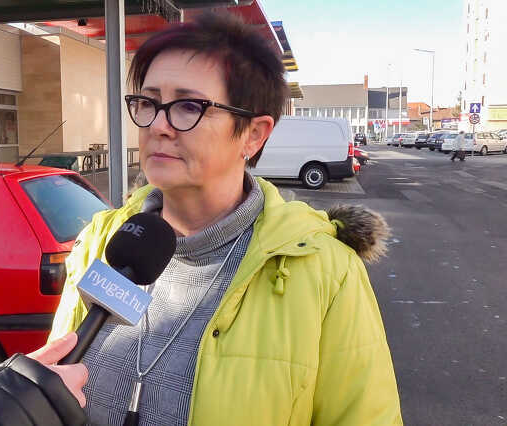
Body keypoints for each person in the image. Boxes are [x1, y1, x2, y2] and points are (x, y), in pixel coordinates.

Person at [50, 12, 403, 426]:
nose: (158, 126)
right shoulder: (101, 239)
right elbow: (55, 376)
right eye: (148, 103)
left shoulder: (324, 271)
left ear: (254, 134)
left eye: (188, 106)